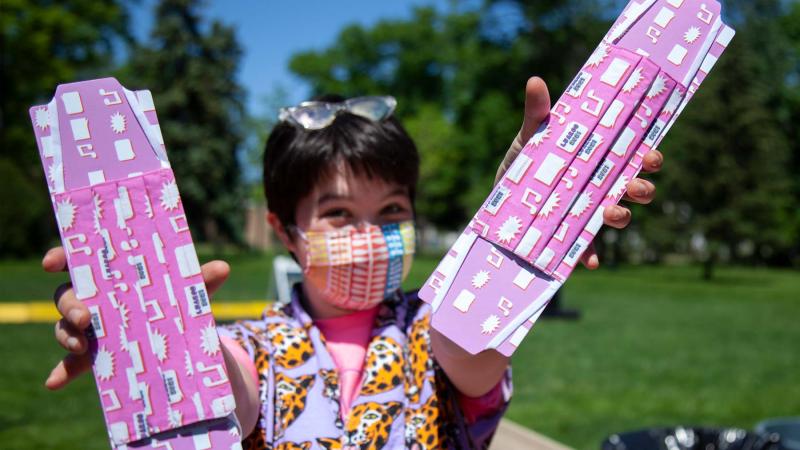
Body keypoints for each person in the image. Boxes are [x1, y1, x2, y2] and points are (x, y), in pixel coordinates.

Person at [42, 78, 662, 448]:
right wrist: (149, 325)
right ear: (286, 232)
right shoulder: (254, 346)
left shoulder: (434, 329)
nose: (370, 234)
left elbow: (473, 349)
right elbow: (220, 386)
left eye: (391, 211)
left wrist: (523, 223)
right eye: (338, 214)